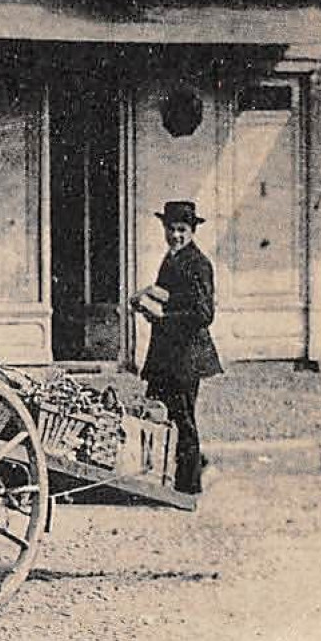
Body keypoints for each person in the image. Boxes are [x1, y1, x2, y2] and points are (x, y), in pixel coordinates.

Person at [132, 200, 223, 495]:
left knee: (182, 418)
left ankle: (189, 487)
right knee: (157, 413)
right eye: (171, 229)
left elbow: (204, 314)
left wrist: (164, 317)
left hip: (186, 355)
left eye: (182, 230)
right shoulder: (170, 259)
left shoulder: (199, 264)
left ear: (193, 231)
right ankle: (163, 475)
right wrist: (145, 300)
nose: (176, 236)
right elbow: (168, 295)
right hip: (165, 353)